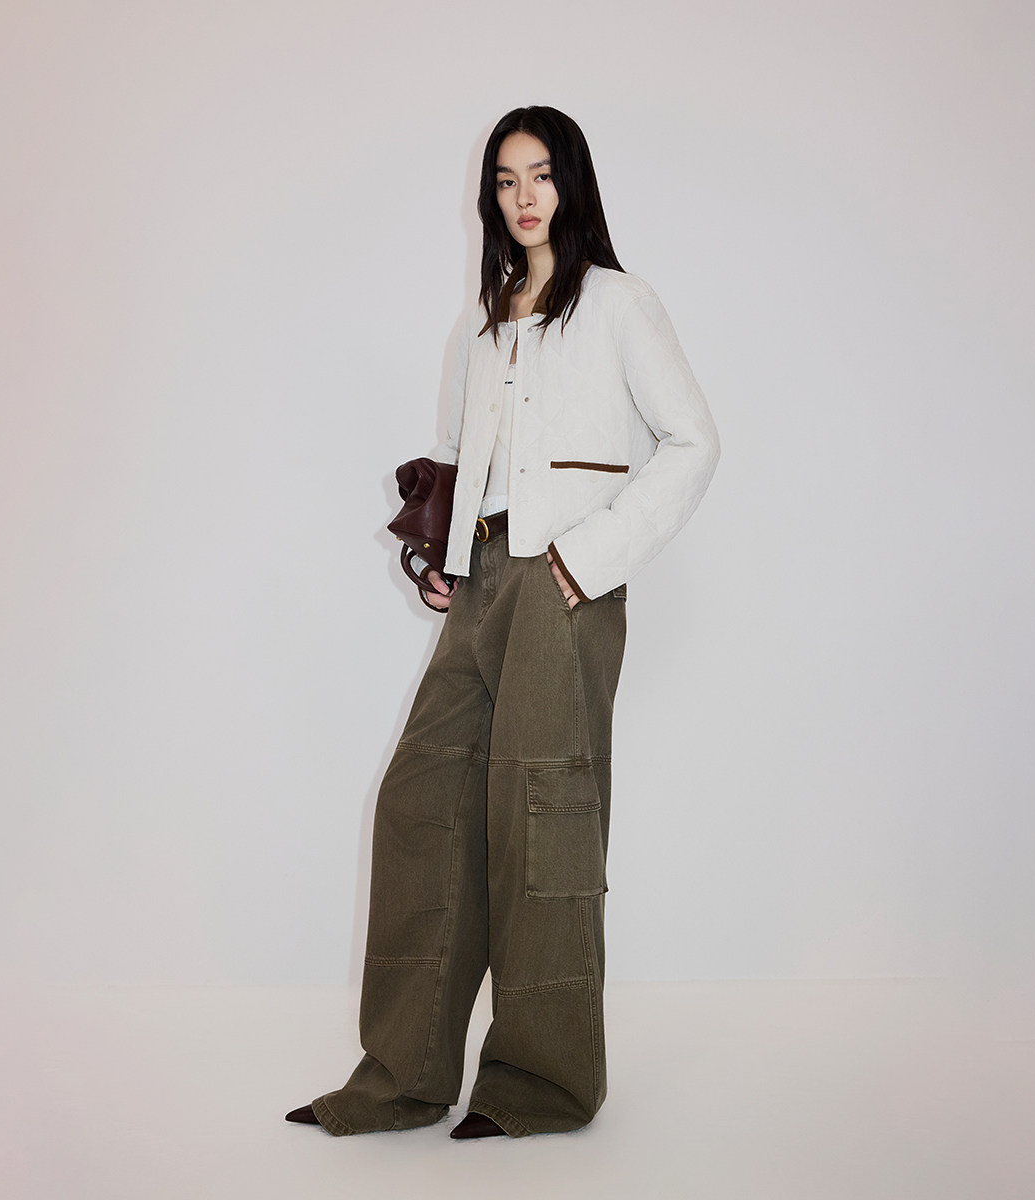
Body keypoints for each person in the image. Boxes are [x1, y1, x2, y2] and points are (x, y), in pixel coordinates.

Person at [286, 105, 719, 1139]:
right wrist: (442, 562)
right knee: (423, 803)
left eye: (541, 175)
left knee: (541, 820)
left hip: (563, 587)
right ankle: (402, 1075)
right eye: (505, 180)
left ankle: (542, 1082)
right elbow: (458, 457)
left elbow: (694, 443)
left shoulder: (619, 303)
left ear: (573, 184)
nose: (524, 197)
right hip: (481, 582)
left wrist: (587, 559)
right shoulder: (481, 323)